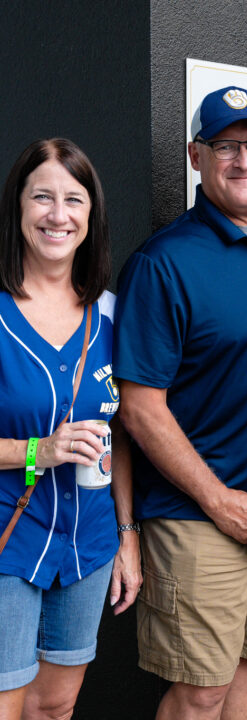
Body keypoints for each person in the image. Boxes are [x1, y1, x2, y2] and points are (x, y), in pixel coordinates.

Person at [113, 86, 247, 720]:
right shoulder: (164, 262)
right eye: (225, 146)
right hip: (194, 512)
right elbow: (139, 408)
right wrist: (217, 500)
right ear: (195, 156)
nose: (244, 160)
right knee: (199, 689)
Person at [0, 138, 141, 719]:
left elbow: (124, 434)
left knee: (56, 708)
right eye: (43, 198)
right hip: (11, 538)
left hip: (89, 544)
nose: (59, 215)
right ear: (18, 208)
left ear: (91, 214)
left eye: (74, 200)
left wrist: (127, 534)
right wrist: (39, 449)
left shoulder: (111, 313)